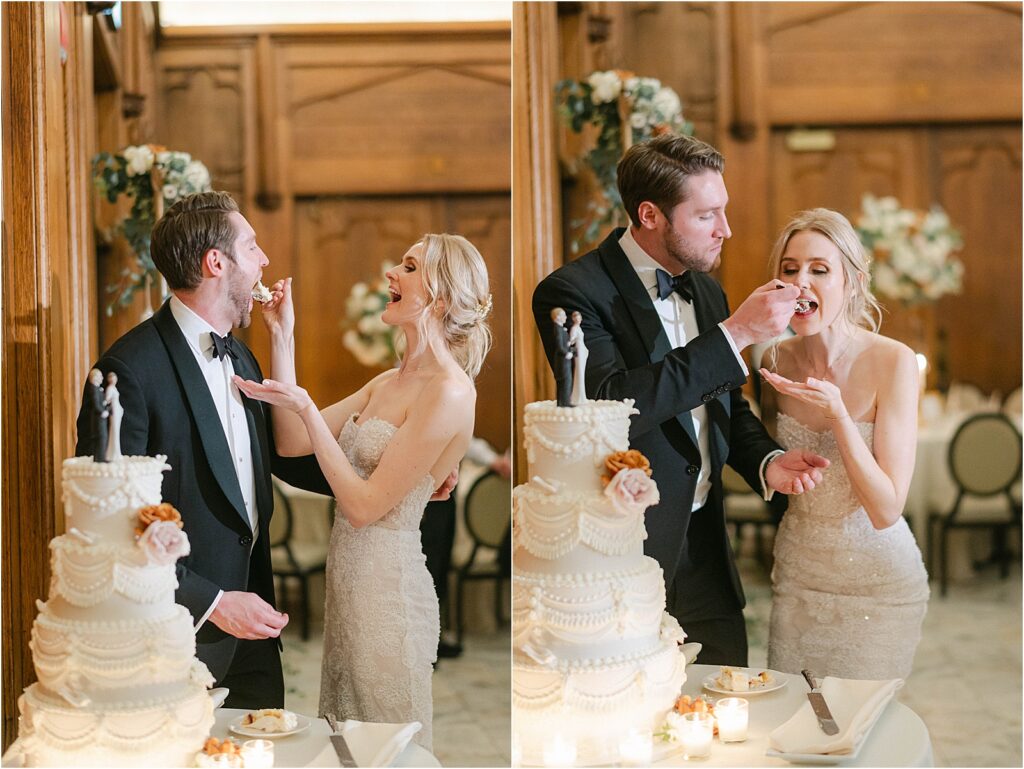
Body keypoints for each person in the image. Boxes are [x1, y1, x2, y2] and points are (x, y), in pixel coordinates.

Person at [532, 133, 829, 665]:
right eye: (707, 215)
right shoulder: (572, 292)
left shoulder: (706, 290)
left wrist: (765, 459)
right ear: (650, 214)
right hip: (625, 550)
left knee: (729, 708)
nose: (726, 230)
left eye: (725, 211)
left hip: (708, 552)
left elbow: (725, 404)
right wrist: (735, 335)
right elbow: (609, 405)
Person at [75, 191, 345, 709]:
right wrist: (213, 602)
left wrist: (402, 482)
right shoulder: (126, 372)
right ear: (215, 262)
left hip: (254, 633)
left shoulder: (241, 355)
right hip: (174, 637)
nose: (265, 259)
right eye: (252, 246)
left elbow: (284, 458)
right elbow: (107, 521)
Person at [233, 233, 492, 751]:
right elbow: (289, 442)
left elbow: (364, 507)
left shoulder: (451, 390)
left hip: (388, 594)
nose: (392, 274)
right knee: (347, 748)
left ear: (439, 296)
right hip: (349, 588)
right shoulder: (385, 382)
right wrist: (282, 337)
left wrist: (308, 407)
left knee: (386, 746)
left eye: (409, 266)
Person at [759, 208, 929, 680]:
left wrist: (838, 415)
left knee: (860, 734)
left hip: (878, 583)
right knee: (795, 723)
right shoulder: (772, 358)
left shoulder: (892, 362)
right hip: (799, 576)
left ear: (851, 282)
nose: (801, 282)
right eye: (789, 269)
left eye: (820, 269)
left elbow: (886, 509)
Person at [84, 368, 109, 462]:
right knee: (101, 437)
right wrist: (102, 412)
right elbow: (95, 403)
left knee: (102, 438)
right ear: (95, 378)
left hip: (100, 418)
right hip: (98, 418)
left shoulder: (97, 388)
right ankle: (100, 458)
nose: (102, 378)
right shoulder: (93, 389)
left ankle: (99, 458)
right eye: (100, 376)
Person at [568, 310, 589, 405]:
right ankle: (577, 396)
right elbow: (571, 341)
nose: (578, 319)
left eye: (579, 317)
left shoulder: (579, 328)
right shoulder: (574, 328)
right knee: (579, 372)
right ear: (573, 319)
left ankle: (582, 395)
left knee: (582, 372)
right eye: (576, 318)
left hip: (582, 349)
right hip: (578, 349)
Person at [104, 371, 123, 462]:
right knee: (114, 431)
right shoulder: (110, 388)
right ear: (109, 379)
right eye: (111, 378)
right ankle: (112, 453)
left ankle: (116, 453)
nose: (113, 380)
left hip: (118, 409)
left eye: (114, 378)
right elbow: (106, 400)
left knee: (116, 432)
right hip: (114, 410)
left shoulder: (114, 388)